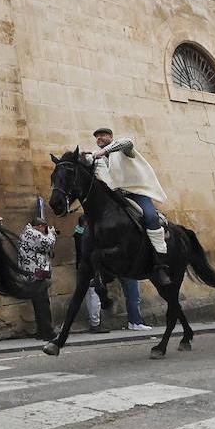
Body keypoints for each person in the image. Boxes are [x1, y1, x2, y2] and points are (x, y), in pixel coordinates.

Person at [90, 129, 172, 286]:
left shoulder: (123, 149)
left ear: (111, 137)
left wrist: (102, 151)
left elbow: (127, 142)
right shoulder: (97, 159)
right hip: (115, 197)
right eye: (97, 136)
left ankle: (160, 265)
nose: (99, 138)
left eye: (103, 135)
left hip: (136, 193)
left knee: (151, 216)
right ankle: (102, 268)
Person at [17, 217, 56, 341]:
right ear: (39, 226)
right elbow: (48, 243)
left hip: (31, 274)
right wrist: (51, 233)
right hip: (36, 275)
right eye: (44, 228)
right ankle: (47, 332)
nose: (44, 230)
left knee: (38, 304)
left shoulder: (27, 233)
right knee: (43, 304)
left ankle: (41, 331)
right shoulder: (32, 233)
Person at [74, 214, 109, 333]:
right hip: (91, 267)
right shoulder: (85, 236)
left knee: (90, 296)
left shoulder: (78, 233)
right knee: (94, 296)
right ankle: (95, 323)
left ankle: (94, 322)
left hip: (83, 267)